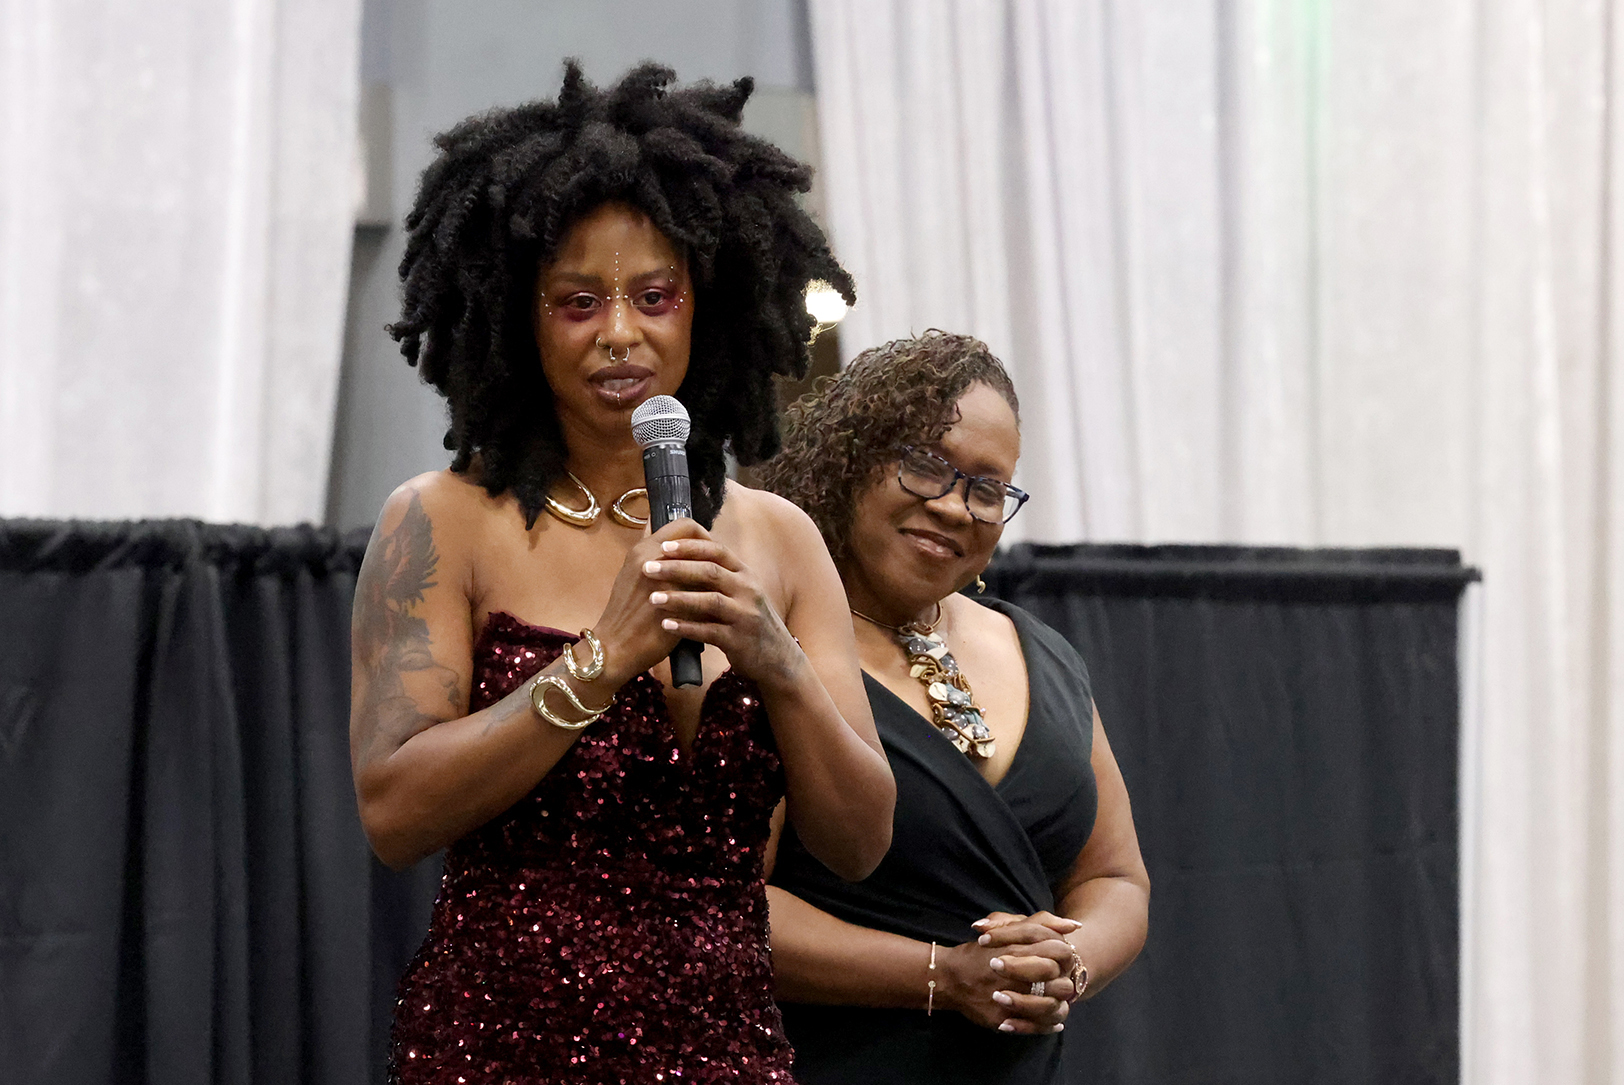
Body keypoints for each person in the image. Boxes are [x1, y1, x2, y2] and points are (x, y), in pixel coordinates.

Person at [348, 62, 896, 1085]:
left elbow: (860, 839)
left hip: (727, 1044)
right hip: (500, 1046)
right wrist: (597, 663)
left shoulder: (779, 538)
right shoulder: (442, 519)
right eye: (577, 301)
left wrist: (777, 661)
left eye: (654, 296)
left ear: (706, 307)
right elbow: (392, 810)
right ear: (519, 314)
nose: (619, 333)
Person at [755, 331, 1150, 1085]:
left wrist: (1069, 961)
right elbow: (722, 907)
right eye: (924, 464)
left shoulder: (1046, 654)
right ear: (851, 458)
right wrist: (941, 974)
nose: (952, 505)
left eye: (987, 487)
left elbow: (1116, 878)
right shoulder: (770, 646)